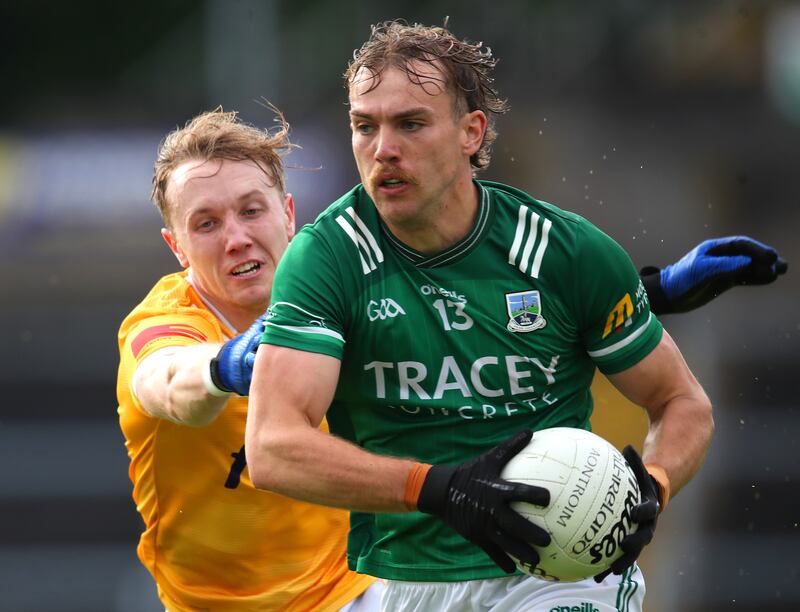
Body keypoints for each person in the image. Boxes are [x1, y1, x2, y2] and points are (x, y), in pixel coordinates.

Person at [244, 20, 784, 612]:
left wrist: (651, 485)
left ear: (471, 132)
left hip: (559, 575)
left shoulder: (565, 250)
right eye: (363, 126)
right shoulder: (328, 258)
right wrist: (439, 489)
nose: (383, 149)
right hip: (398, 581)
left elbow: (682, 403)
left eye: (410, 124)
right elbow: (273, 447)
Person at [115, 108, 379, 612]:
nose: (236, 237)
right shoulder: (161, 322)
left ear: (288, 214)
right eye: (207, 223)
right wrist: (226, 365)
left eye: (251, 210)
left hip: (356, 588)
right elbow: (165, 379)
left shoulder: (349, 296)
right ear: (178, 248)